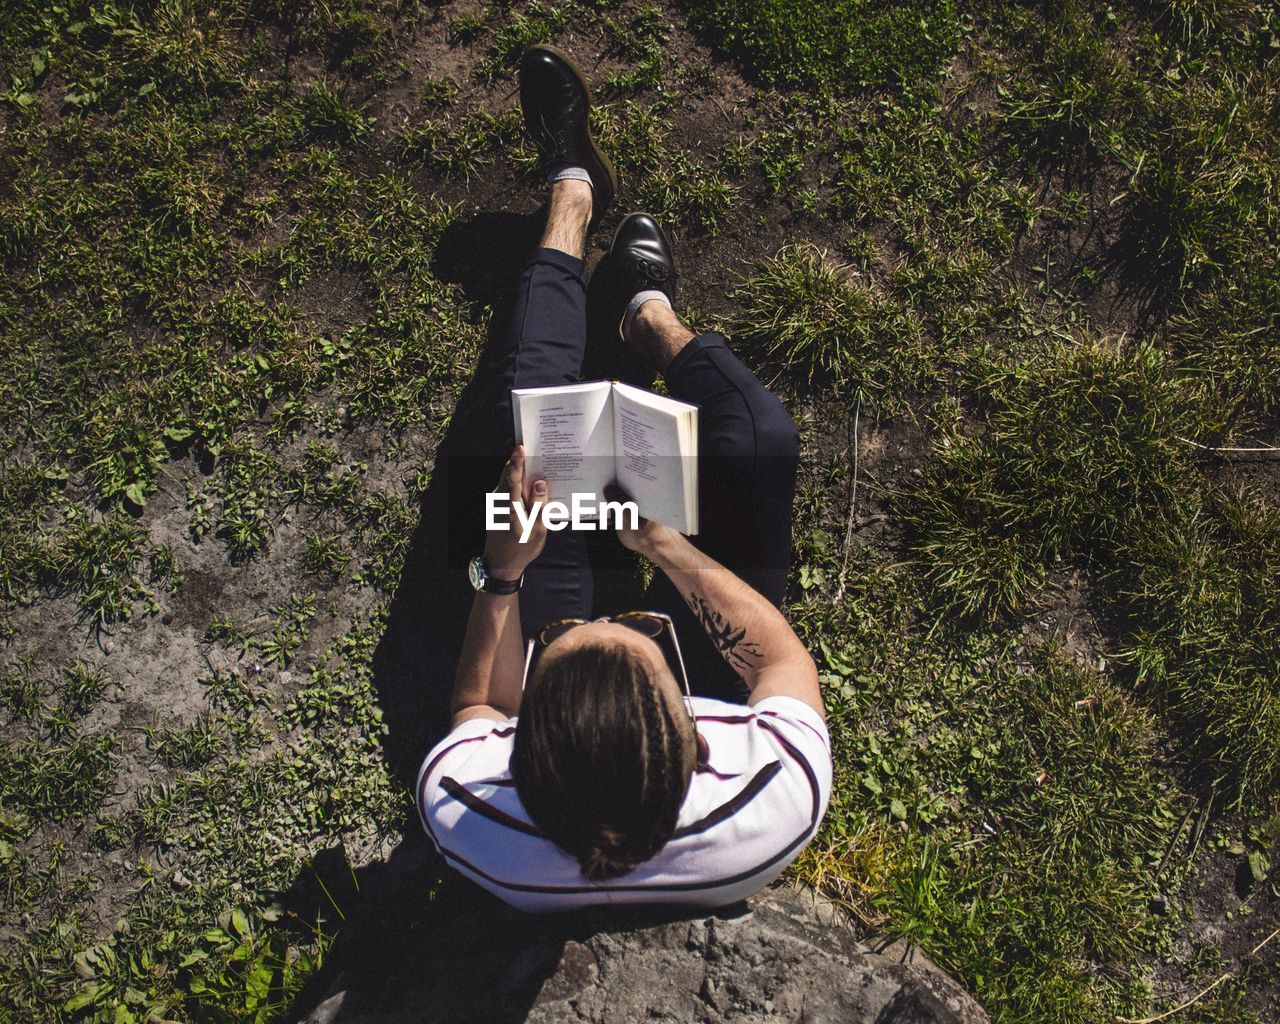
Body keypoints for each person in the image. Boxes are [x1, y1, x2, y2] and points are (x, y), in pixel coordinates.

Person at [416, 45, 832, 911]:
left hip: (562, 643)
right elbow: (784, 658)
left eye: (570, 643)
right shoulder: (777, 792)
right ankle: (650, 315)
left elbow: (472, 712)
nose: (618, 615)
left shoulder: (469, 810)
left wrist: (503, 577)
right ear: (697, 738)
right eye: (638, 632)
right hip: (680, 677)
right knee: (758, 438)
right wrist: (660, 546)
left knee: (521, 420)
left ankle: (571, 192)